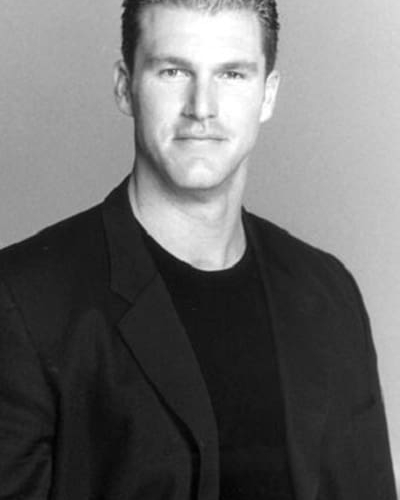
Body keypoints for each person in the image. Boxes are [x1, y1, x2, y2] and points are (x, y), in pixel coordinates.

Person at [0, 0, 397, 498]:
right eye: (173, 71)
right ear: (125, 86)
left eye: (232, 74)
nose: (201, 107)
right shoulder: (23, 298)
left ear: (268, 94)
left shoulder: (329, 291)